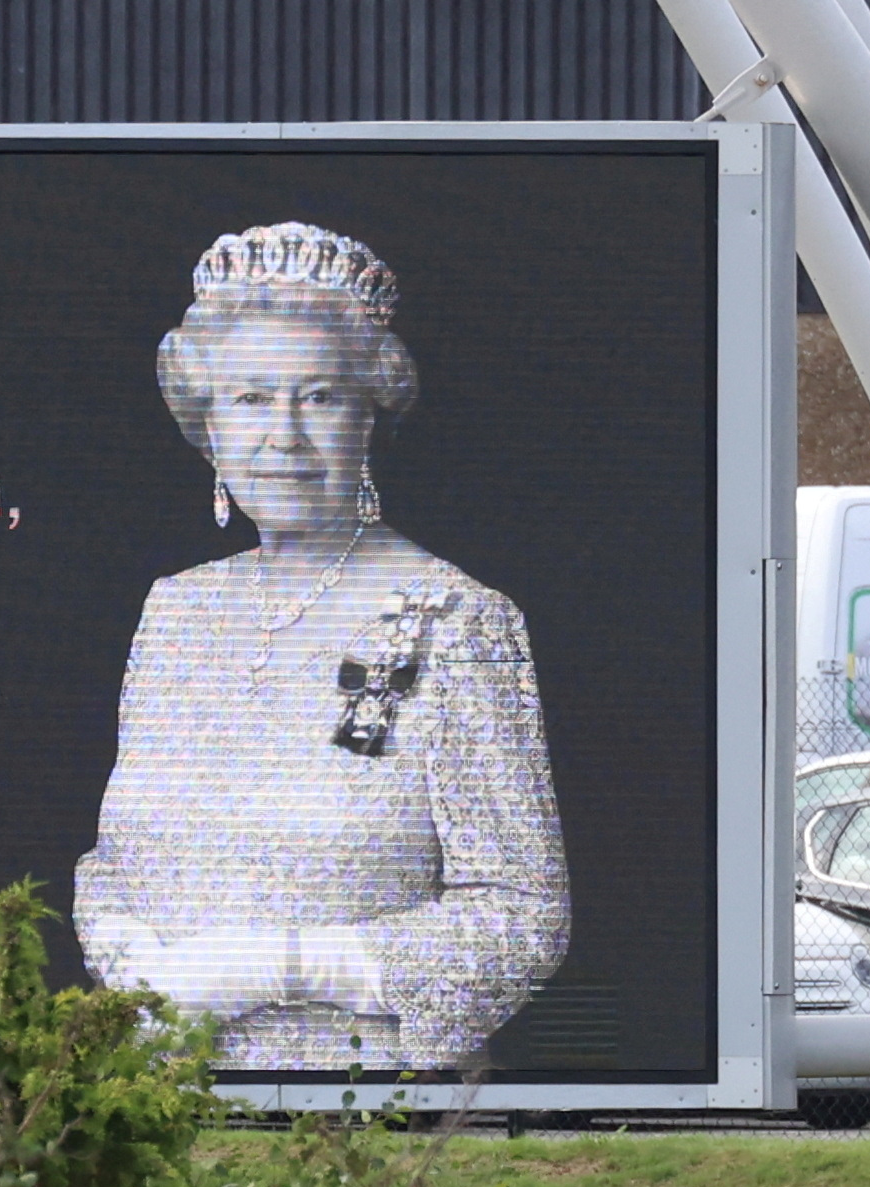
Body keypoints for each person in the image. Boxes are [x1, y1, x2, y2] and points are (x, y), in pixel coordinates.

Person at [73, 221, 570, 1071]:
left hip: (362, 1124)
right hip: (153, 1115)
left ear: (369, 413)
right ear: (210, 428)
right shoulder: (173, 613)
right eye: (251, 399)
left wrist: (282, 966)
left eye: (320, 397)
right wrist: (134, 972)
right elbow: (110, 863)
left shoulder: (454, 620)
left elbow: (524, 915)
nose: (284, 438)